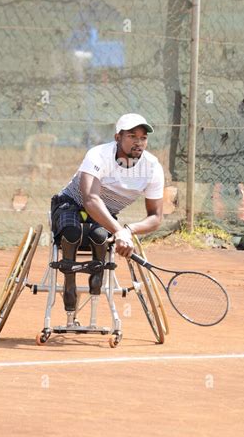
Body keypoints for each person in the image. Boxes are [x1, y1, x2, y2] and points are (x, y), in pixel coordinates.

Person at [51, 113, 164, 319]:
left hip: (105, 215)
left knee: (101, 237)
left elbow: (155, 217)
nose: (139, 142)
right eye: (132, 136)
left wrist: (128, 231)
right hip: (70, 204)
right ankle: (69, 282)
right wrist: (119, 230)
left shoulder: (153, 167)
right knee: (71, 231)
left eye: (143, 138)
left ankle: (98, 276)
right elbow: (90, 199)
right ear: (118, 137)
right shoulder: (98, 155)